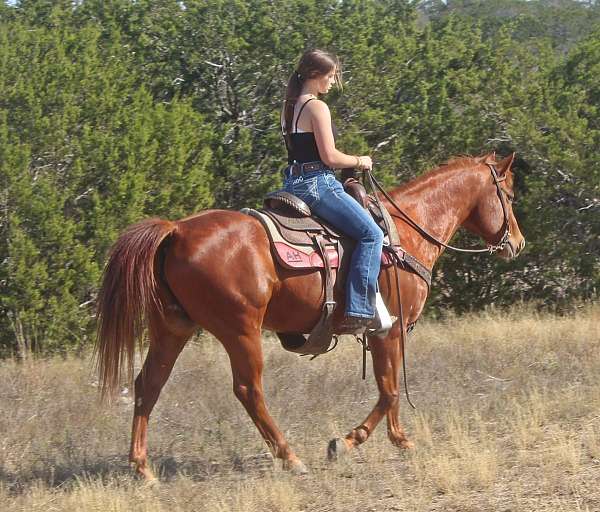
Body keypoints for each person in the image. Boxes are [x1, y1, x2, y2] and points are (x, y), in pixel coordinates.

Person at [280, 49, 384, 333]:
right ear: (315, 75)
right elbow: (330, 158)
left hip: (291, 184)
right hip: (317, 184)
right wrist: (360, 160)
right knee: (372, 234)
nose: (333, 82)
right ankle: (360, 310)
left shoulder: (290, 105)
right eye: (331, 76)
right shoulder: (316, 107)